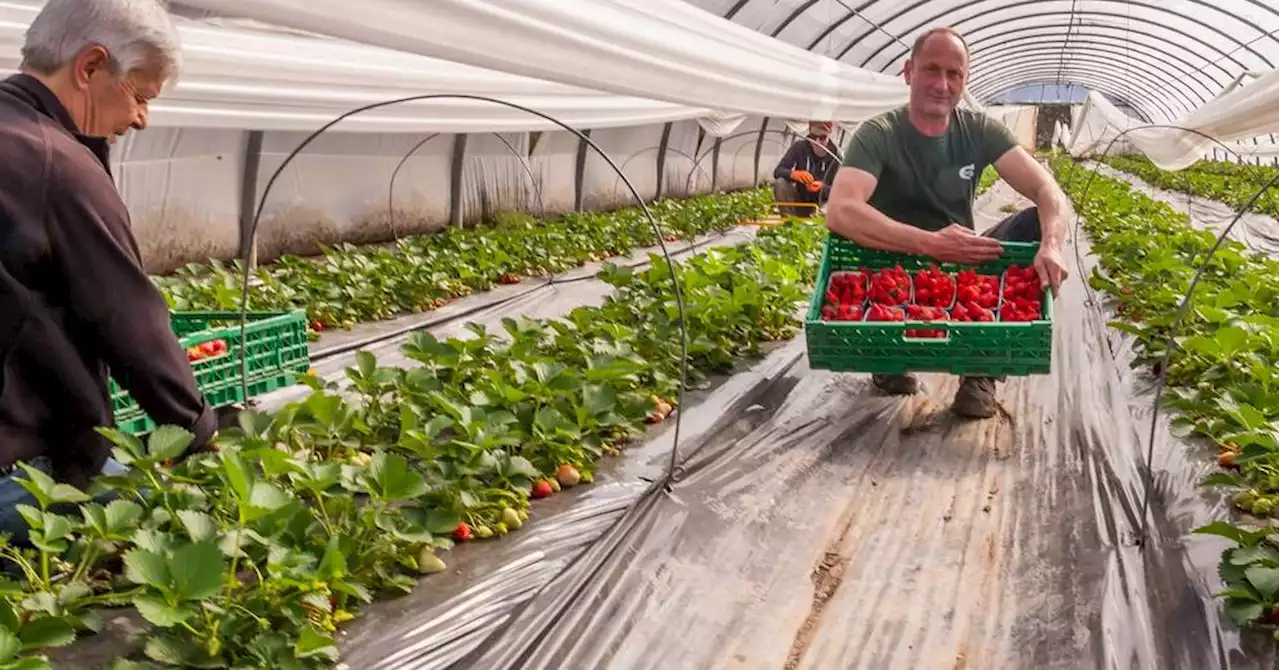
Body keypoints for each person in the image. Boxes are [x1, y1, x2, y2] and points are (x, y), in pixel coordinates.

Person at [0, 0, 216, 539]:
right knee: (173, 531)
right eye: (140, 95)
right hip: (21, 468)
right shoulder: (57, 163)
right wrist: (197, 428)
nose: (142, 117)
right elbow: (124, 317)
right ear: (91, 66)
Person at [825, 26, 1071, 419]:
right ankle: (889, 358)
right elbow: (840, 211)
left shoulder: (980, 130)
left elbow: (1049, 191)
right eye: (931, 70)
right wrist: (927, 243)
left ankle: (982, 370)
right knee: (890, 334)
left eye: (953, 74)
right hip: (893, 269)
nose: (942, 84)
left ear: (964, 80)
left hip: (959, 265)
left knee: (1032, 225)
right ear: (909, 72)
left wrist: (1052, 246)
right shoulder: (879, 134)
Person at [773, 121, 841, 217]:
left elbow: (840, 191)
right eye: (813, 137)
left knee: (831, 205)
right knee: (780, 182)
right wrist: (794, 174)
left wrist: (822, 188)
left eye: (822, 138)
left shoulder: (836, 156)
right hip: (799, 199)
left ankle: (818, 222)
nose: (817, 142)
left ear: (829, 135)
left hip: (821, 204)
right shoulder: (799, 147)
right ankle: (788, 221)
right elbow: (778, 171)